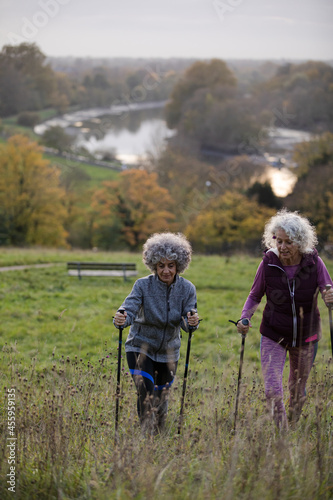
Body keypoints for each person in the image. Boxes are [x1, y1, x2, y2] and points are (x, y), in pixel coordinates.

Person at [237, 209, 333, 429]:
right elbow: (254, 295)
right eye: (278, 241)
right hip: (273, 333)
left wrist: (330, 297)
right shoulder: (268, 263)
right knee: (272, 389)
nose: (281, 247)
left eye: (288, 242)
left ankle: (294, 421)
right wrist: (245, 318)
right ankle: (282, 433)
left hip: (306, 335)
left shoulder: (314, 263)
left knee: (297, 389)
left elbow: (328, 291)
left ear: (300, 242)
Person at [113, 232, 199, 434]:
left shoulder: (187, 289)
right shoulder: (143, 285)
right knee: (146, 391)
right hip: (140, 347)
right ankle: (146, 436)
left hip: (169, 351)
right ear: (154, 265)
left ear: (179, 264)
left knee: (161, 398)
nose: (166, 270)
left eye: (171, 265)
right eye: (161, 265)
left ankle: (159, 435)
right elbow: (129, 308)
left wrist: (191, 321)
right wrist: (122, 318)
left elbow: (189, 319)